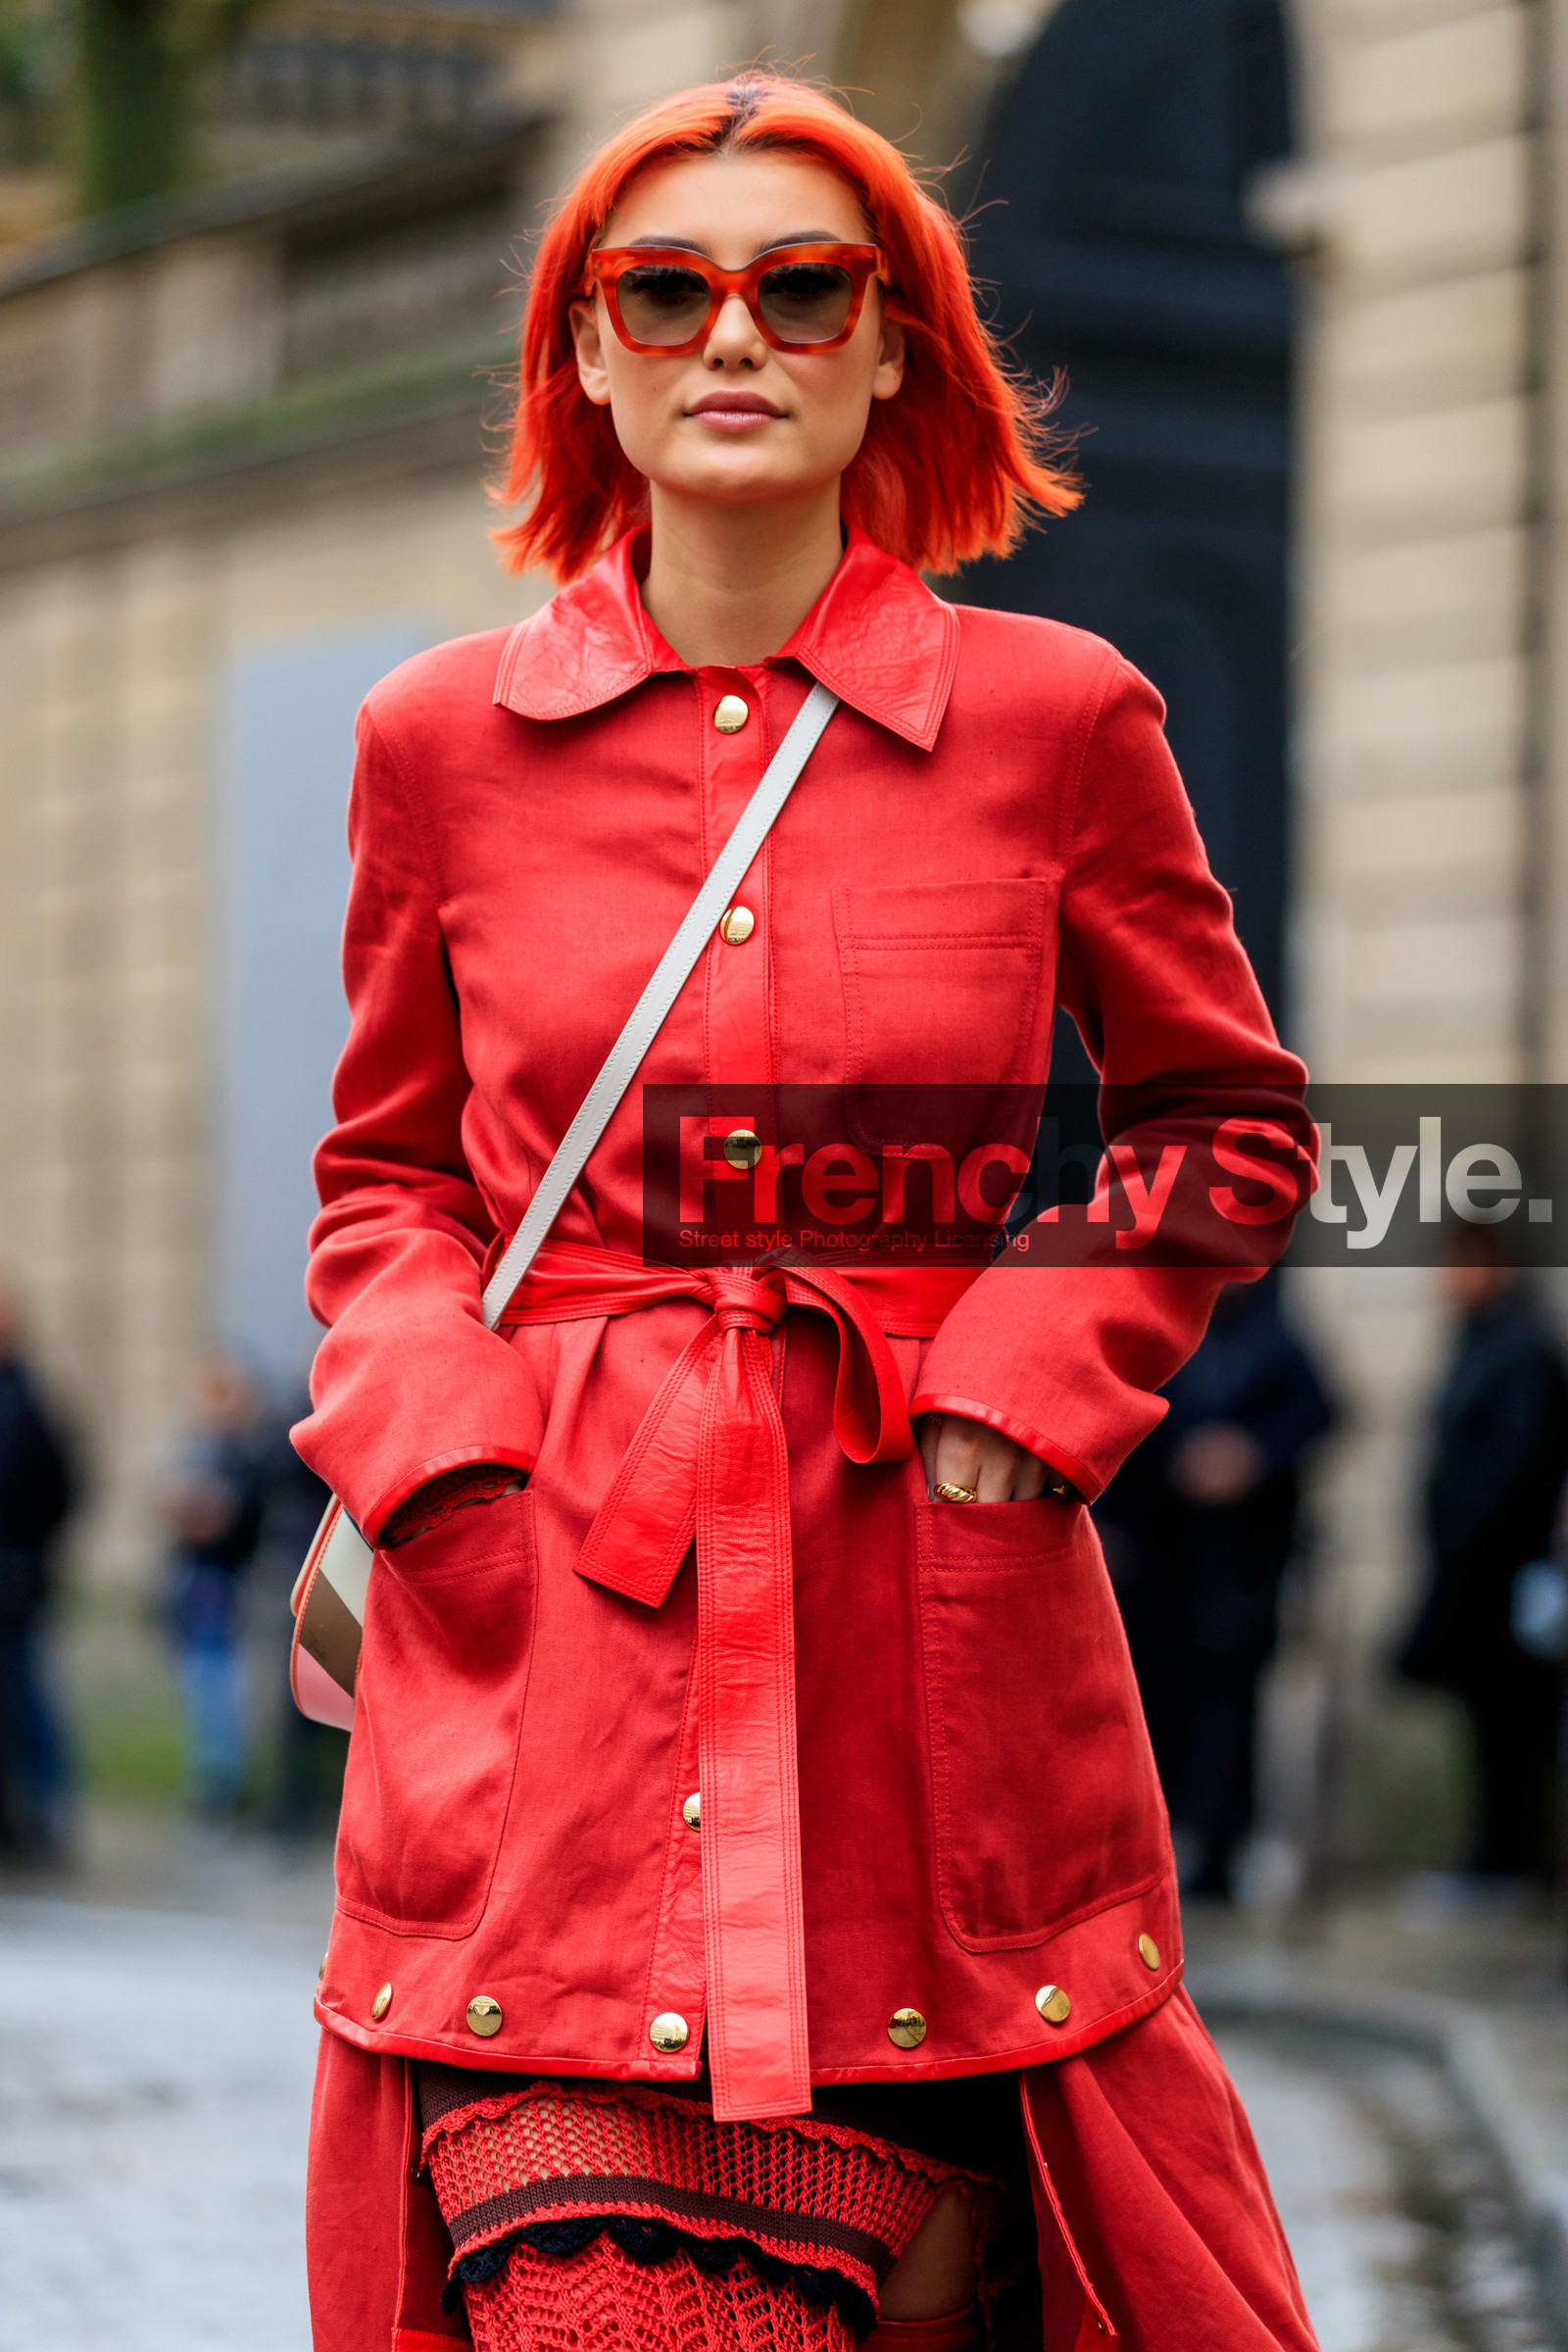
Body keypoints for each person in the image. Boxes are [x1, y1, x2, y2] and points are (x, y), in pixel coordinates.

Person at [295, 74, 1318, 2352]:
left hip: (923, 1631)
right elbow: (382, 1177)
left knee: (969, 2253)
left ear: (887, 350)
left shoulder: (1062, 715)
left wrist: (1021, 1394)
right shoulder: (435, 740)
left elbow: (1218, 1118)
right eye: (661, 289)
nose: (727, 332)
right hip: (553, 1632)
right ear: (582, 353)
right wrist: (445, 1456)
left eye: (800, 285)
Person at [1097, 1281, 1334, 1900]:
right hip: (1165, 1566)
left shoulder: (1273, 1336)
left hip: (1241, 1570)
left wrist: (1249, 1456)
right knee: (1159, 1703)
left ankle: (1223, 1847)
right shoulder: (1167, 1331)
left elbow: (1317, 1415)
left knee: (1230, 1710)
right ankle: (1162, 1845)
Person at [1398, 1239, 1568, 1886]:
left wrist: (1467, 1537)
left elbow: (1513, 1469)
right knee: (1487, 1724)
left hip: (1505, 1577)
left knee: (1515, 1724)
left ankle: (1513, 1863)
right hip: (1476, 1575)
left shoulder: (1520, 1350)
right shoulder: (1479, 1342)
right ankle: (1495, 1857)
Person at [162, 1354, 269, 1821]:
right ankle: (213, 1780)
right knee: (201, 1683)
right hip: (196, 1579)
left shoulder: (243, 1455)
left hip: (221, 1581)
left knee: (217, 1687)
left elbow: (214, 1520)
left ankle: (220, 1785)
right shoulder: (201, 1449)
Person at [0, 1289, 75, 1858]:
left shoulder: (27, 1401)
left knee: (26, 1694)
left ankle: (46, 1809)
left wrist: (31, 1554)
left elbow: (59, 1485)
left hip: (16, 1578)